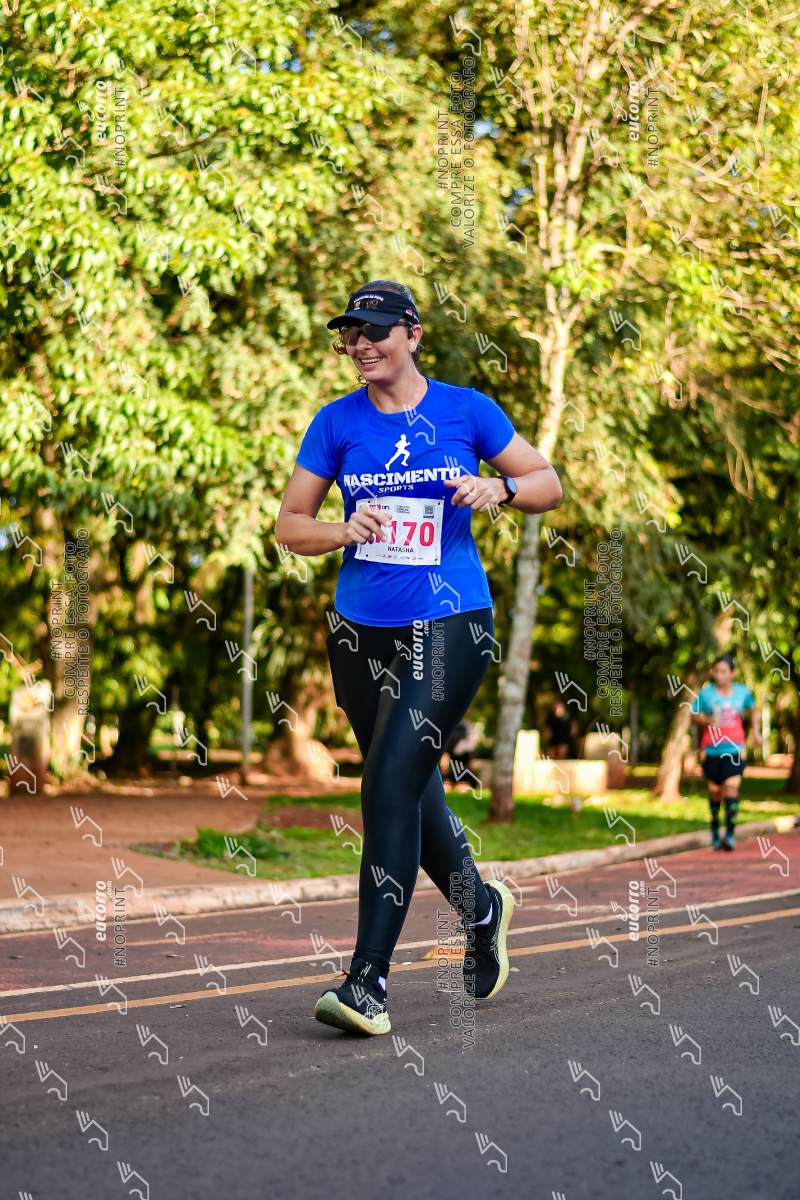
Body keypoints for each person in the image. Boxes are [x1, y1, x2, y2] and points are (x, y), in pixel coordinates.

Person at [275, 279, 563, 1035]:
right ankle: (482, 907)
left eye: (375, 330)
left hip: (449, 621)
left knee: (387, 785)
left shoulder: (467, 410)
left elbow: (548, 483)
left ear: (412, 333)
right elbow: (290, 525)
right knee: (406, 784)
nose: (360, 344)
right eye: (350, 334)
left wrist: (498, 488)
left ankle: (367, 983)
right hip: (358, 631)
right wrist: (343, 531)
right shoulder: (335, 423)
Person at [690, 653, 761, 851]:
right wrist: (706, 720)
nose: (720, 675)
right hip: (711, 750)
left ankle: (729, 834)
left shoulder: (742, 692)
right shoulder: (705, 694)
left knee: (731, 790)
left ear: (732, 673)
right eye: (717, 671)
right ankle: (715, 828)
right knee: (715, 793)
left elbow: (753, 709)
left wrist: (756, 732)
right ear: (712, 672)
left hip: (734, 749)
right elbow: (693, 715)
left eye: (724, 671)